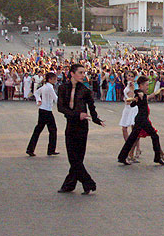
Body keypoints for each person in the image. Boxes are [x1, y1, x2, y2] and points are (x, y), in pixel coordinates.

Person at [57, 64, 105, 195]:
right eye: (80, 72)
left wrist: (96, 119)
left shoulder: (85, 89)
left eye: (84, 73)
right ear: (72, 73)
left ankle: (70, 185)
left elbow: (92, 107)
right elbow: (60, 108)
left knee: (78, 157)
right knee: (73, 157)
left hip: (82, 126)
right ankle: (88, 183)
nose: (83, 75)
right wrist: (77, 115)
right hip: (71, 124)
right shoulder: (62, 88)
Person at [117, 75, 164, 166]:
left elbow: (148, 97)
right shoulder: (139, 93)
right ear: (141, 85)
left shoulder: (142, 94)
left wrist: (159, 91)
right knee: (155, 136)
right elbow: (135, 99)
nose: (148, 87)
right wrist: (136, 95)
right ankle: (157, 158)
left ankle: (122, 157)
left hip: (140, 120)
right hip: (142, 120)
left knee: (132, 139)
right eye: (146, 85)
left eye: (148, 85)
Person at [26, 72, 59, 156]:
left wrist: (38, 100)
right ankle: (51, 149)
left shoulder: (44, 86)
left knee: (38, 130)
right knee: (53, 130)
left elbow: (36, 93)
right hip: (47, 110)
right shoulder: (49, 88)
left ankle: (30, 149)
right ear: (50, 79)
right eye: (54, 79)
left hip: (42, 110)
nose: (55, 80)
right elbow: (56, 98)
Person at [119, 71, 140, 163]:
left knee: (134, 130)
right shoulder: (127, 85)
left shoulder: (134, 86)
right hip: (127, 109)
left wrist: (131, 89)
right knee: (124, 128)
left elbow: (132, 97)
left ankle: (132, 151)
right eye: (128, 76)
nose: (130, 77)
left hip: (133, 108)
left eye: (132, 76)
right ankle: (129, 145)